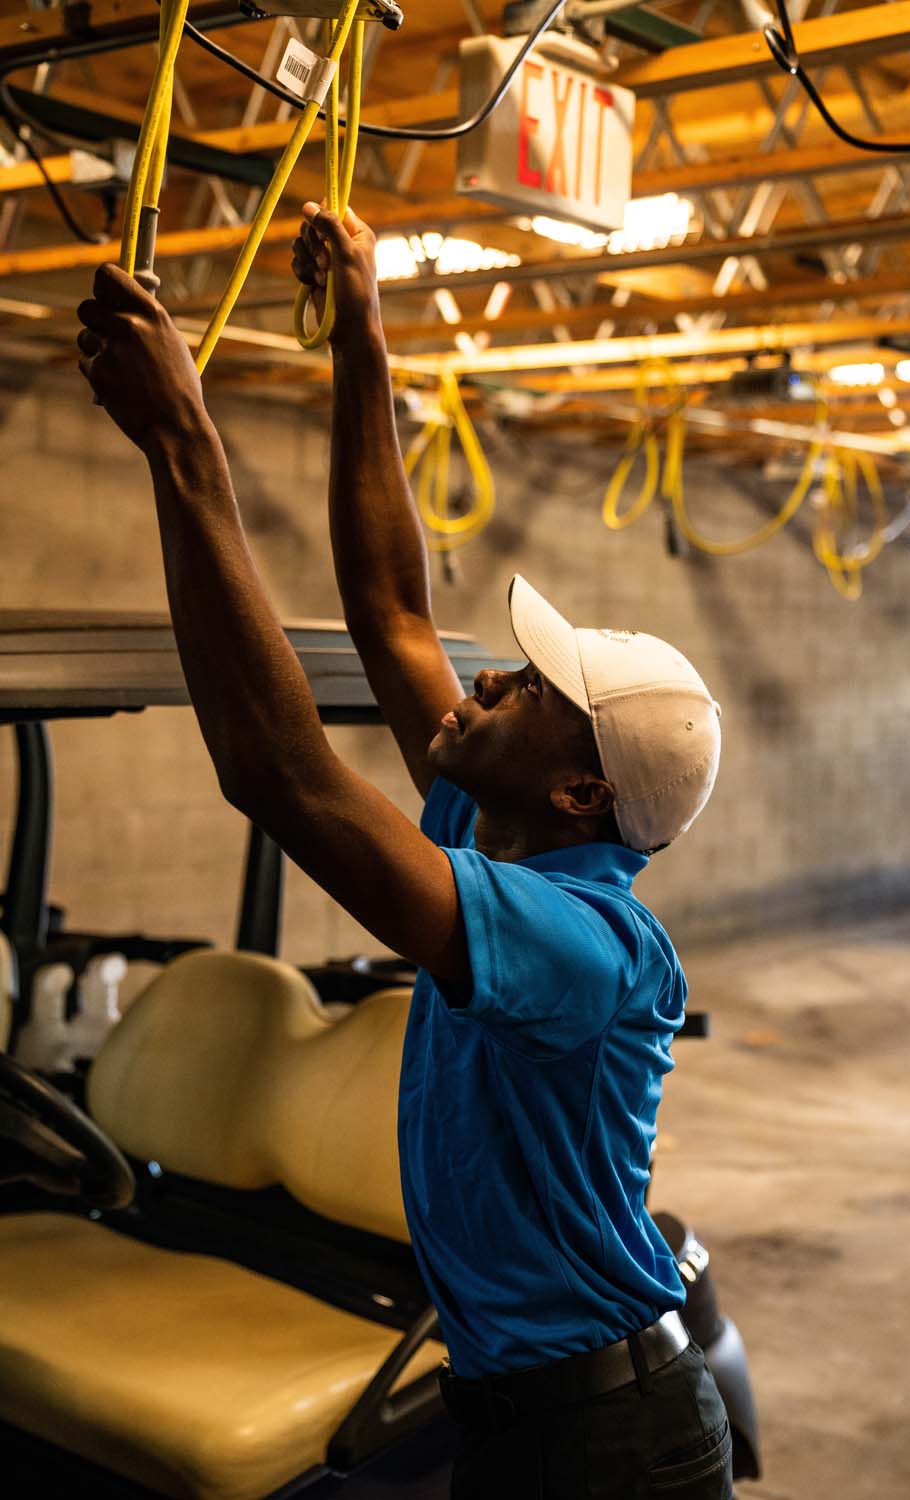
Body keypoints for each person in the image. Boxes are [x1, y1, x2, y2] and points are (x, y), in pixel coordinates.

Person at [76, 200, 731, 1500]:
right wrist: (363, 327)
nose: (486, 679)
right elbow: (387, 604)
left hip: (605, 1444)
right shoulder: (490, 832)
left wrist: (184, 446)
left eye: (526, 691)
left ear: (582, 786)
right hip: (525, 1413)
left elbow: (280, 775)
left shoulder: (583, 940)